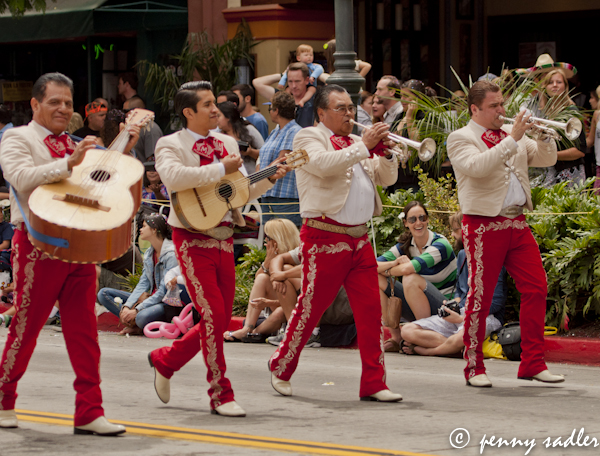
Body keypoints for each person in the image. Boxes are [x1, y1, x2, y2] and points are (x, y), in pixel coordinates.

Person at [149, 81, 289, 418]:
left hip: (224, 236)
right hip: (191, 239)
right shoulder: (170, 143)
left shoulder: (226, 141)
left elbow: (238, 192)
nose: (217, 109)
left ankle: (165, 360)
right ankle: (220, 393)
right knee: (212, 315)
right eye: (208, 104)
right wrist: (219, 168)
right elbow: (173, 177)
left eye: (215, 103)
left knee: (220, 318)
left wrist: (270, 178)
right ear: (188, 112)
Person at [0, 72, 128, 434]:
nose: (62, 108)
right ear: (35, 104)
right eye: (54, 101)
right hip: (37, 246)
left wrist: (125, 142)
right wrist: (70, 162)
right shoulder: (17, 137)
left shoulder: (76, 143)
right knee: (26, 327)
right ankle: (3, 398)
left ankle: (89, 411)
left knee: (84, 331)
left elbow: (101, 184)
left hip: (80, 246)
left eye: (68, 103)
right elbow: (20, 178)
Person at [268, 84, 402, 403]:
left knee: (370, 312)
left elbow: (387, 179)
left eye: (351, 108)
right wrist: (364, 146)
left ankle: (373, 382)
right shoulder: (307, 138)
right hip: (325, 235)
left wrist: (385, 152)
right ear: (322, 113)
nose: (349, 113)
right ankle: (281, 366)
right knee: (312, 307)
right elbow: (323, 166)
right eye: (340, 108)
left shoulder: (357, 140)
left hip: (359, 237)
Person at [446, 79, 564, 387]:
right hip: (483, 224)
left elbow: (546, 158)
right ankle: (474, 367)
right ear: (475, 109)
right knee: (480, 296)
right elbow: (478, 167)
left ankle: (533, 363)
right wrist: (513, 137)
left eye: (502, 105)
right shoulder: (460, 138)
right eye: (494, 106)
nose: (501, 111)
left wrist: (543, 137)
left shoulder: (510, 136)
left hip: (516, 221)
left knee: (537, 286)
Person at [400, 212, 505, 356]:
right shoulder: (462, 255)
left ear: (468, 229)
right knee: (407, 330)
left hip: (485, 316)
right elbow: (460, 293)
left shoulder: (493, 256)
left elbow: (496, 302)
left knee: (463, 336)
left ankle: (430, 351)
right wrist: (452, 304)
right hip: (461, 313)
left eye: (456, 229)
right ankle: (454, 348)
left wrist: (463, 318)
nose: (453, 234)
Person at [376, 201, 457, 351]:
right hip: (418, 305)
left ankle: (423, 334)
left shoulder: (440, 244)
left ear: (427, 220)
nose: (418, 223)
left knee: (410, 278)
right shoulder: (405, 245)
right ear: (406, 223)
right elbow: (372, 266)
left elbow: (409, 268)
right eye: (413, 219)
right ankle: (396, 337)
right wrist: (394, 262)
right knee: (376, 278)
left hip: (445, 307)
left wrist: (388, 270)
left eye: (422, 218)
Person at [97, 214, 178, 334]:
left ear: (154, 230)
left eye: (144, 226)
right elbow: (143, 283)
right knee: (103, 294)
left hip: (164, 302)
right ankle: (133, 322)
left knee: (141, 317)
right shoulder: (150, 253)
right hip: (149, 299)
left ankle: (138, 322)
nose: (140, 229)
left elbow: (163, 291)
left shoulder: (170, 254)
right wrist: (127, 307)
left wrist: (137, 309)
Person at [223, 218, 300, 343]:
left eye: (267, 237)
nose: (265, 240)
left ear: (278, 239)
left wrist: (269, 302)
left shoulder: (295, 260)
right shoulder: (274, 259)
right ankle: (247, 329)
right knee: (262, 277)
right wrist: (267, 262)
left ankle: (252, 333)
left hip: (293, 311)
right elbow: (258, 280)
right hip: (276, 311)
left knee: (280, 311)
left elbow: (296, 300)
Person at [534, 69, 588, 187]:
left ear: (565, 86)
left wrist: (552, 155)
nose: (554, 85)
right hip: (553, 172)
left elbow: (580, 151)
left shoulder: (572, 112)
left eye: (559, 82)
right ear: (545, 87)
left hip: (570, 172)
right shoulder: (548, 114)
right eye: (550, 82)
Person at [258, 91, 303, 227]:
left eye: (270, 108)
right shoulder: (275, 131)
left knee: (285, 241)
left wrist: (259, 176)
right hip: (269, 193)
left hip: (285, 197)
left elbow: (282, 160)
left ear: (276, 111)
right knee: (271, 241)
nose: (270, 112)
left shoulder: (294, 130)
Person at [253, 62, 315, 128]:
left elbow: (327, 80)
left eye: (297, 81)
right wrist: (282, 75)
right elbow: (257, 83)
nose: (293, 86)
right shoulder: (282, 98)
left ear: (307, 80)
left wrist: (316, 75)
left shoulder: (316, 99)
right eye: (290, 81)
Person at [217, 101, 264, 175]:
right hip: (230, 180)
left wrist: (250, 152)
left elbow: (264, 153)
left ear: (228, 117)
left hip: (251, 176)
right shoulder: (217, 135)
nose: (216, 119)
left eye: (218, 116)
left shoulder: (249, 129)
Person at [123, 97, 163, 162]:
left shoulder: (150, 129)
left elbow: (153, 160)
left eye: (126, 111)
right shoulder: (130, 128)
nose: (124, 115)